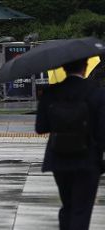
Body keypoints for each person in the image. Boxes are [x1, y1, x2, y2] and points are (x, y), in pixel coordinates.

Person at [35, 58, 105, 230]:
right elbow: (102, 132)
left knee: (67, 205)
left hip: (59, 156)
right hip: (87, 159)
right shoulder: (97, 93)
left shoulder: (51, 93)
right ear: (86, 66)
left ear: (63, 68)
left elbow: (41, 127)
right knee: (81, 209)